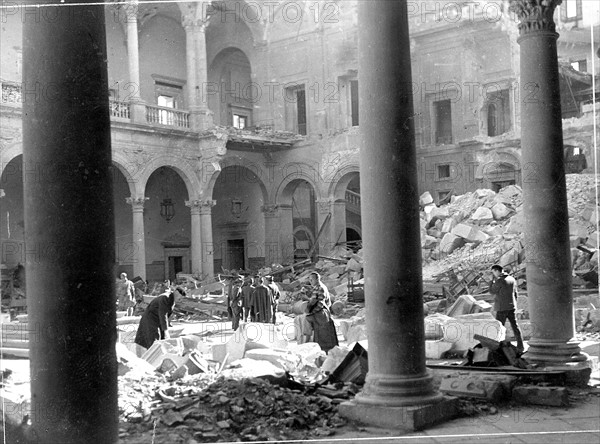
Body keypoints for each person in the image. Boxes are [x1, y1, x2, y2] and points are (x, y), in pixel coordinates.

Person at [134, 286, 186, 350]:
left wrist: (164, 332)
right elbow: (163, 314)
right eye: (179, 298)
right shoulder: (165, 297)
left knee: (162, 340)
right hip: (150, 320)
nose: (180, 300)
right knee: (154, 341)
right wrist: (166, 331)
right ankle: (152, 356)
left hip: (157, 321)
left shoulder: (172, 299)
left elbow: (166, 316)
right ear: (176, 293)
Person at [489, 264, 524, 353]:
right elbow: (515, 293)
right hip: (511, 306)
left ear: (497, 271)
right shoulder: (512, 279)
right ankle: (521, 346)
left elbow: (492, 291)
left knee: (499, 328)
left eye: (493, 272)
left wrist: (491, 281)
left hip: (502, 308)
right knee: (515, 326)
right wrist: (514, 304)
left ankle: (499, 348)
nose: (493, 274)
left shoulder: (500, 280)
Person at [304, 272, 338, 352]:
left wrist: (311, 312)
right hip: (321, 314)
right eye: (309, 279)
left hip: (321, 314)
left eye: (312, 279)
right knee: (322, 336)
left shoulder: (320, 288)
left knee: (324, 337)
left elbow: (320, 303)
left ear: (317, 279)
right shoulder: (318, 287)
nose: (310, 281)